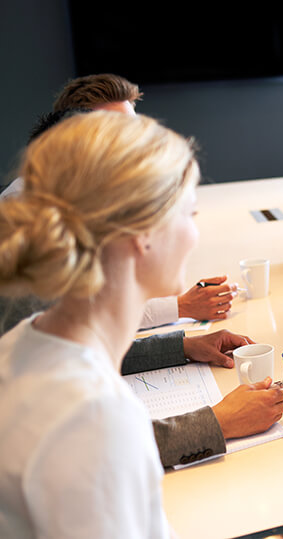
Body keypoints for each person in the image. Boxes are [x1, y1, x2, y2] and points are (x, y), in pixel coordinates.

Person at [0, 111, 206, 535]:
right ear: (144, 232)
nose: (195, 233)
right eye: (190, 212)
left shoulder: (23, 342)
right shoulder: (94, 418)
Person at [1, 75, 237, 326]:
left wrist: (184, 343)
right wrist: (181, 307)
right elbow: (81, 324)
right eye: (117, 133)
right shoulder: (28, 216)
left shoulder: (92, 197)